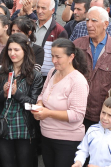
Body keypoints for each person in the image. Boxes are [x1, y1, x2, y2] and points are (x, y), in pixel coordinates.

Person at [0, 33, 43, 167]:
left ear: (25, 50)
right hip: (4, 125)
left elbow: (34, 104)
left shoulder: (34, 74)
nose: (12, 53)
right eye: (10, 49)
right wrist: (3, 93)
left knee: (25, 163)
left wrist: (16, 94)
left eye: (16, 50)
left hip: (24, 126)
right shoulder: (2, 71)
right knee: (7, 164)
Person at [32, 38, 90, 167]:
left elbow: (77, 115)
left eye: (58, 57)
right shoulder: (53, 72)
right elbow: (42, 95)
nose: (53, 60)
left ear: (71, 57)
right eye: (52, 56)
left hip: (67, 140)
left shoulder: (77, 81)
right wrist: (39, 106)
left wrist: (48, 113)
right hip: (47, 135)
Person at [73, 6, 111, 128]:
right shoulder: (77, 45)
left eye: (94, 20)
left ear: (105, 24)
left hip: (103, 116)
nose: (89, 24)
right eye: (87, 20)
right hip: (76, 112)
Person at [35, 0, 68, 76]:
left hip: (47, 76)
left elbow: (63, 58)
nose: (39, 11)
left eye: (43, 8)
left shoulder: (59, 31)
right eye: (38, 7)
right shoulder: (30, 26)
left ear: (52, 10)